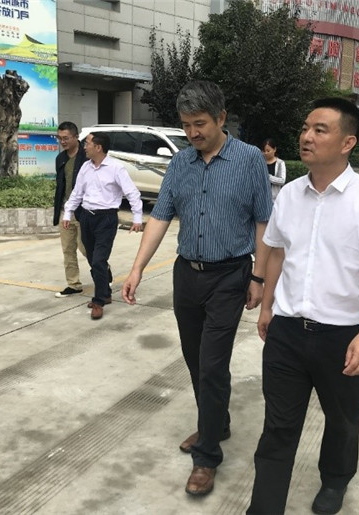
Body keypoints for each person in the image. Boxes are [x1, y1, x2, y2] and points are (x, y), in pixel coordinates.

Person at [247, 98, 359, 515]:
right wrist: (267, 307)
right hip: (286, 332)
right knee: (278, 426)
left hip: (343, 336)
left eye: (320, 130)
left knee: (342, 419)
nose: (306, 136)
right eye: (305, 128)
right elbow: (277, 252)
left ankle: (335, 480)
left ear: (348, 142)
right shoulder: (289, 195)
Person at [122, 81, 272, 497]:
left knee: (212, 365)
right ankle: (216, 424)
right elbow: (160, 217)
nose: (192, 133)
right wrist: (136, 268)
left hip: (230, 275)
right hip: (186, 275)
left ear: (221, 118)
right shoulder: (180, 163)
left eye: (200, 124)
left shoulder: (249, 160)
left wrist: (259, 277)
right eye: (186, 125)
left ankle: (207, 456)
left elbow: (264, 221)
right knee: (194, 359)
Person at [63, 131, 143, 320]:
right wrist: (68, 213)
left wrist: (137, 218)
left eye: (87, 143)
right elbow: (77, 192)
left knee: (99, 260)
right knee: (93, 259)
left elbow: (132, 193)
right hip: (86, 217)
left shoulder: (116, 168)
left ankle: (99, 301)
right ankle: (105, 291)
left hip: (106, 219)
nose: (84, 147)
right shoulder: (85, 167)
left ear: (98, 147)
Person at [53, 121, 88, 298]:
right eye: (60, 138)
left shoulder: (87, 157)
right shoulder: (60, 158)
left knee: (85, 247)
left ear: (76, 137)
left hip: (84, 210)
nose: (62, 142)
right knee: (68, 249)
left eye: (66, 138)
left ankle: (103, 269)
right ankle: (73, 284)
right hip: (65, 210)